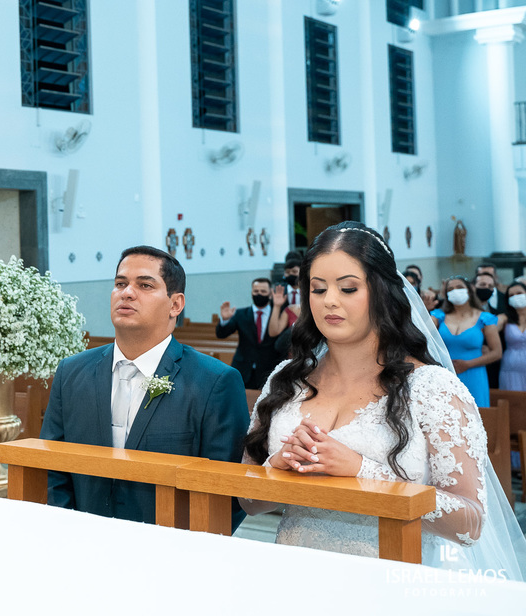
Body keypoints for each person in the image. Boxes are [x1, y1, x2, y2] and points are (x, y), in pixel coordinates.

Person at [242, 222, 525, 578]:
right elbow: (249, 502)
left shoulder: (431, 389)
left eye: (347, 288)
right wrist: (278, 467)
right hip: (296, 574)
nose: (330, 300)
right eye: (318, 289)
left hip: (396, 577)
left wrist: (363, 472)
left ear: (382, 293)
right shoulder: (285, 381)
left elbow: (469, 524)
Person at [41, 246, 249, 530]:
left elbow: (227, 492)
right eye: (120, 283)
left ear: (175, 305)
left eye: (145, 285)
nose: (127, 292)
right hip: (82, 542)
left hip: (171, 553)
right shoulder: (72, 372)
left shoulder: (214, 382)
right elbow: (52, 466)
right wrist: (68, 530)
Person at [431, 276, 502, 407]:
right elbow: (422, 334)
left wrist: (468, 364)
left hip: (474, 374)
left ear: (469, 290)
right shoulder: (439, 317)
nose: (455, 291)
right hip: (446, 375)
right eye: (450, 289)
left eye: (459, 287)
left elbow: (497, 352)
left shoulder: (484, 318)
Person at [215, 278, 292, 389]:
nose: (259, 294)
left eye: (263, 291)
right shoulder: (241, 314)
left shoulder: (280, 315)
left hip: (269, 370)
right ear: (251, 293)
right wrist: (225, 320)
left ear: (270, 293)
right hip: (243, 369)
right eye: (256, 291)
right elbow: (221, 334)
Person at [500, 281, 526, 391]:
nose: (515, 297)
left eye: (519, 293)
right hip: (511, 370)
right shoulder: (504, 318)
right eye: (511, 295)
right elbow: (488, 328)